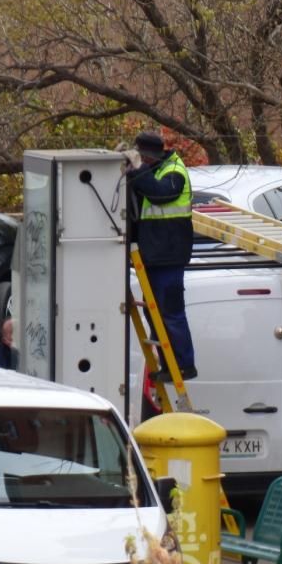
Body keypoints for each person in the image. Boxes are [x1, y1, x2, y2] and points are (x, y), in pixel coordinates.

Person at [125, 131, 197, 382]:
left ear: (149, 157)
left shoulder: (173, 172)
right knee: (154, 313)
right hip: (155, 255)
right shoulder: (155, 170)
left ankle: (184, 365)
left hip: (169, 256)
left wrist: (136, 172)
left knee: (172, 313)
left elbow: (160, 193)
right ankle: (168, 365)